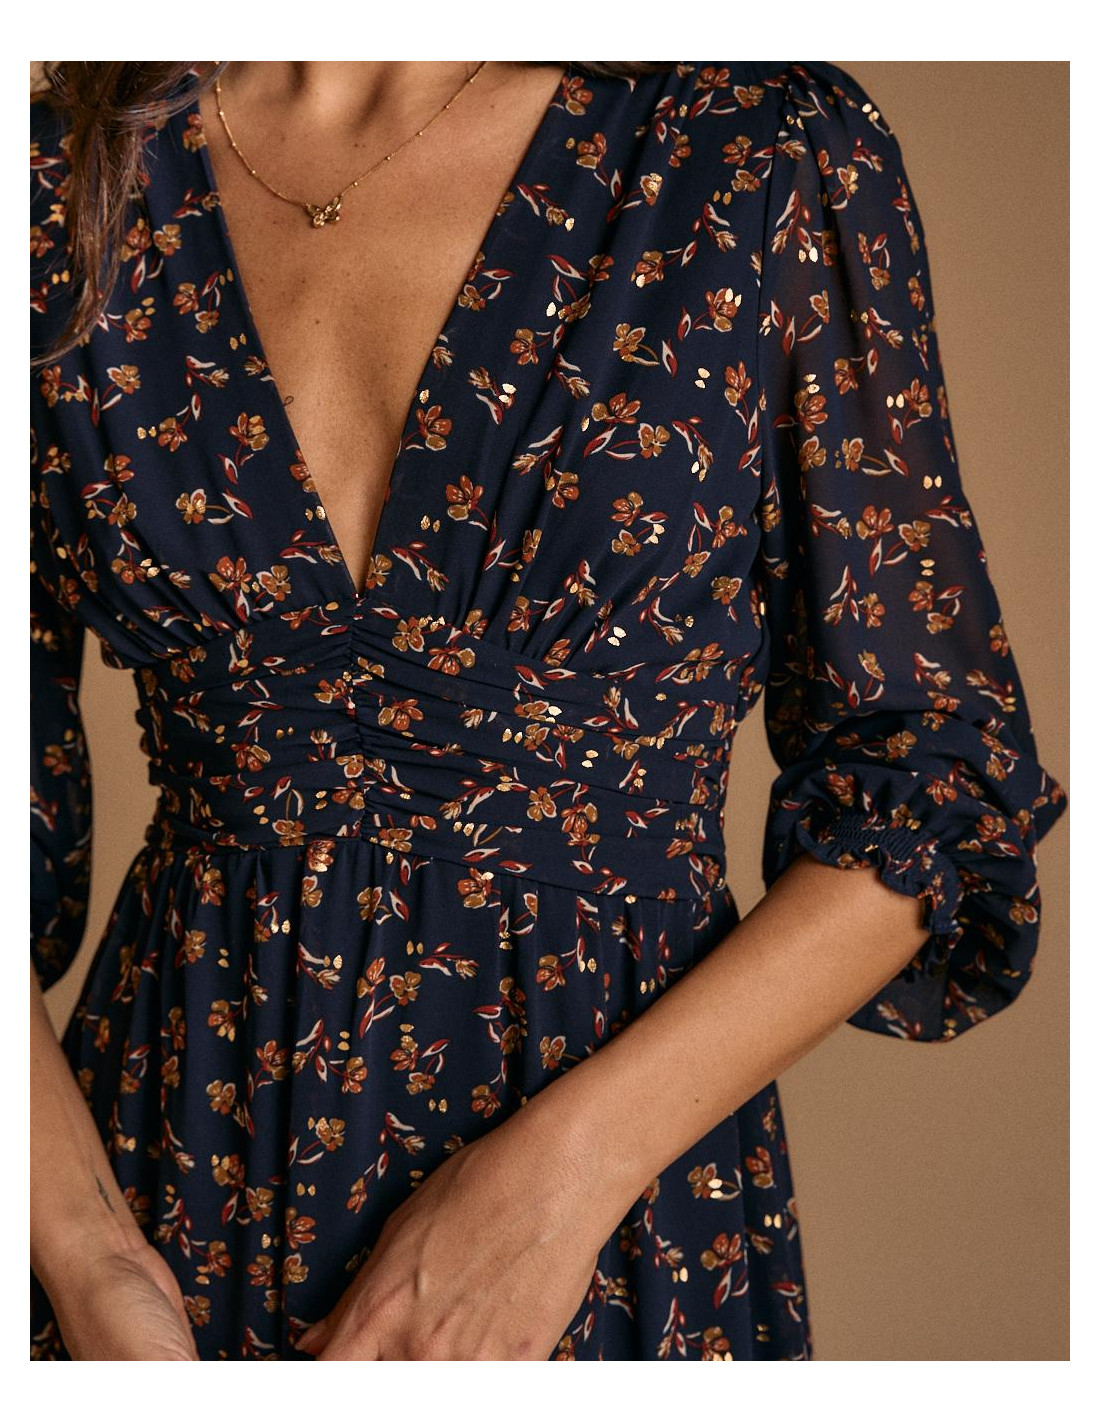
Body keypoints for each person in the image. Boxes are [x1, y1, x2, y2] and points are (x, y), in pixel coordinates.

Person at [30, 58, 1067, 1362]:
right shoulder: (59, 181)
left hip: (601, 1228)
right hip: (156, 1213)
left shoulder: (753, 148)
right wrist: (93, 1263)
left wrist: (563, 1183)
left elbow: (932, 790)